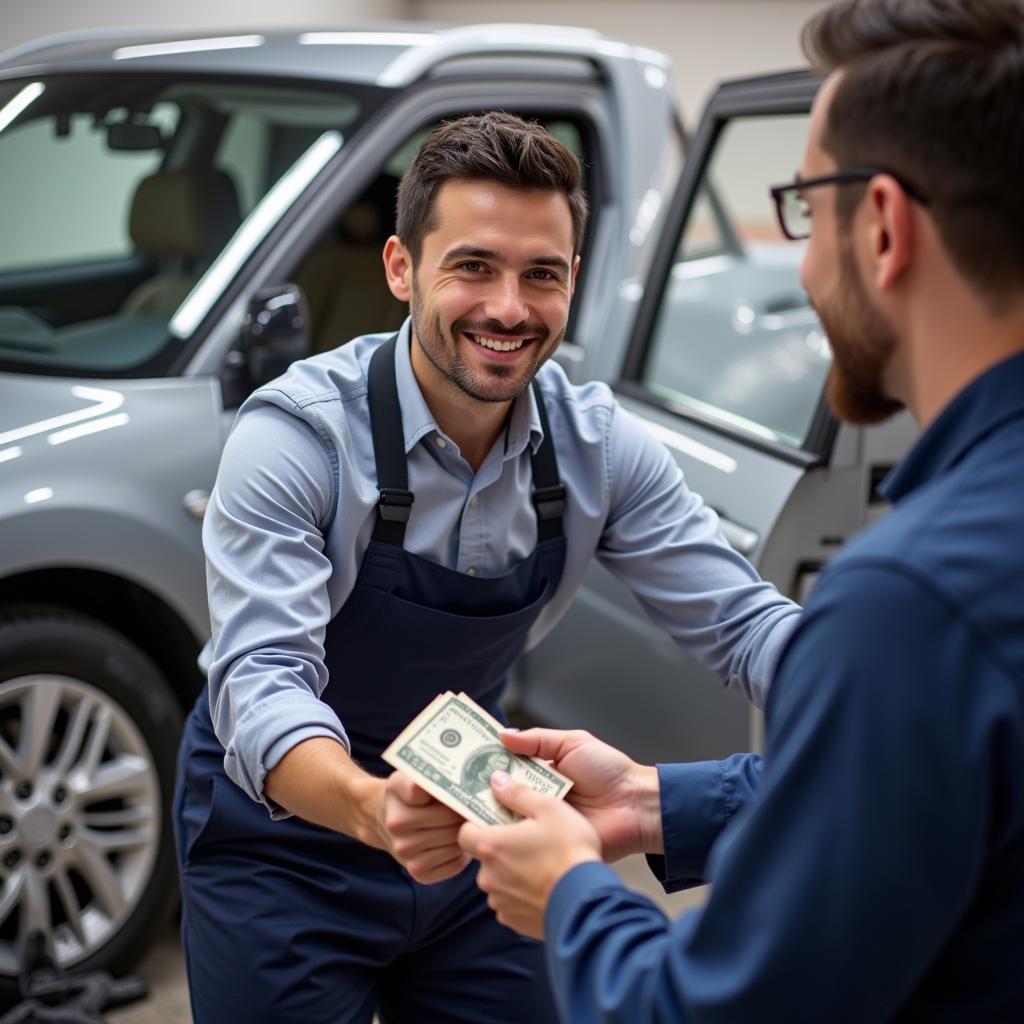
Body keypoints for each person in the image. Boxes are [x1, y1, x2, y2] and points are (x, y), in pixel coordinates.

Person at [459, 2, 1024, 1020]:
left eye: (806, 208)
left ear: (884, 226)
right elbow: (917, 801)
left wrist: (573, 898)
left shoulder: (912, 599)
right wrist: (651, 800)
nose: (801, 267)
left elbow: (713, 1007)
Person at [173, 112, 800, 1023]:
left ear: (573, 284)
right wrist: (367, 806)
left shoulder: (600, 450)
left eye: (540, 274)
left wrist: (877, 690)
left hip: (481, 827)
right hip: (283, 843)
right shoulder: (297, 438)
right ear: (401, 268)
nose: (509, 308)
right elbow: (261, 681)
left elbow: (746, 624)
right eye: (473, 266)